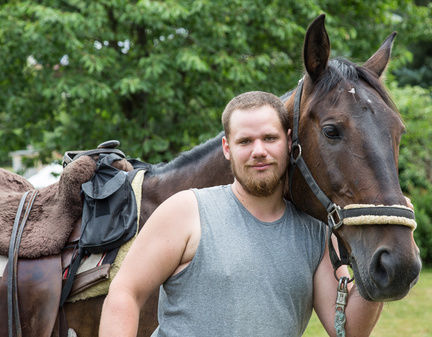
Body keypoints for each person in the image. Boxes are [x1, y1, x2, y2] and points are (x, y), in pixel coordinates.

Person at [99, 91, 383, 337]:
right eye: (245, 141)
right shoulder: (186, 211)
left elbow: (349, 329)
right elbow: (125, 293)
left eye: (269, 138)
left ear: (288, 142)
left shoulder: (317, 233)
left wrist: (382, 243)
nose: (258, 151)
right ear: (227, 148)